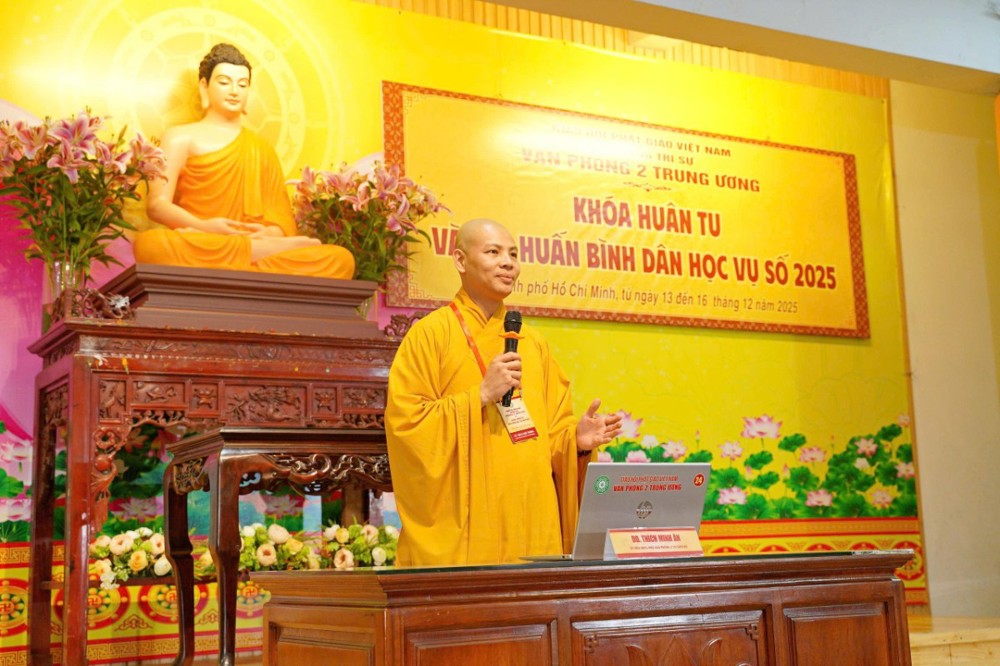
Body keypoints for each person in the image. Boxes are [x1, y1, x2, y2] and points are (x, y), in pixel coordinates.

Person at [385, 218, 622, 566]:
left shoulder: (533, 343)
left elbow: (551, 434)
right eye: (493, 252)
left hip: (531, 515)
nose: (508, 263)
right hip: (470, 524)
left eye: (513, 254)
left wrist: (576, 441)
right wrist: (478, 396)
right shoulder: (430, 335)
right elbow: (407, 425)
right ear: (460, 260)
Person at [134, 43, 354, 278]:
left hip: (232, 249)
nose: (234, 91)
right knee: (152, 245)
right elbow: (157, 205)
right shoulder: (179, 137)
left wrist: (271, 233)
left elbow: (283, 220)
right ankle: (258, 253)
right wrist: (204, 226)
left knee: (342, 259)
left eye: (242, 84)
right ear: (204, 86)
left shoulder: (261, 149)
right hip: (204, 238)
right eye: (224, 82)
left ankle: (256, 251)